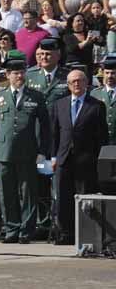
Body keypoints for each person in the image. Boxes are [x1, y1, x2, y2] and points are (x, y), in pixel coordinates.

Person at [0, 51, 51, 244]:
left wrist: (42, 151)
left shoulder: (36, 96)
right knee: (6, 193)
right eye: (14, 73)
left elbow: (45, 126)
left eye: (22, 72)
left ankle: (26, 230)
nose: (19, 76)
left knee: (28, 193)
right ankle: (11, 229)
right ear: (7, 75)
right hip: (4, 151)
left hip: (27, 151)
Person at [50, 69, 108, 245]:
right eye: (73, 81)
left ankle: (84, 234)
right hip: (64, 158)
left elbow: (101, 137)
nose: (76, 84)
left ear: (86, 83)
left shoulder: (96, 106)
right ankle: (65, 234)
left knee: (85, 198)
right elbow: (54, 133)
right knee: (63, 198)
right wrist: (53, 157)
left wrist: (99, 159)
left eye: (80, 81)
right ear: (68, 85)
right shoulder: (59, 105)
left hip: (86, 160)